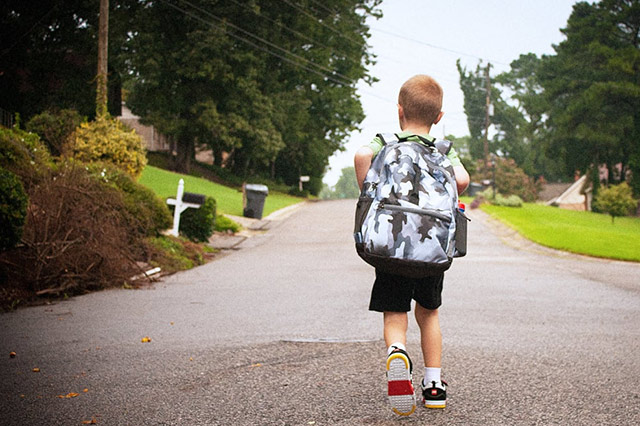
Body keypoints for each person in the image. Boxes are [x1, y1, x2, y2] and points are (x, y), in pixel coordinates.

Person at [354, 74, 469, 415]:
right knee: (429, 313)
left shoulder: (384, 142)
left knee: (395, 312)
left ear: (400, 111)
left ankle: (397, 352)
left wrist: (369, 190)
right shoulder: (444, 151)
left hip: (390, 247)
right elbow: (461, 180)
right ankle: (434, 385)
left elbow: (362, 155)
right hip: (431, 248)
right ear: (439, 117)